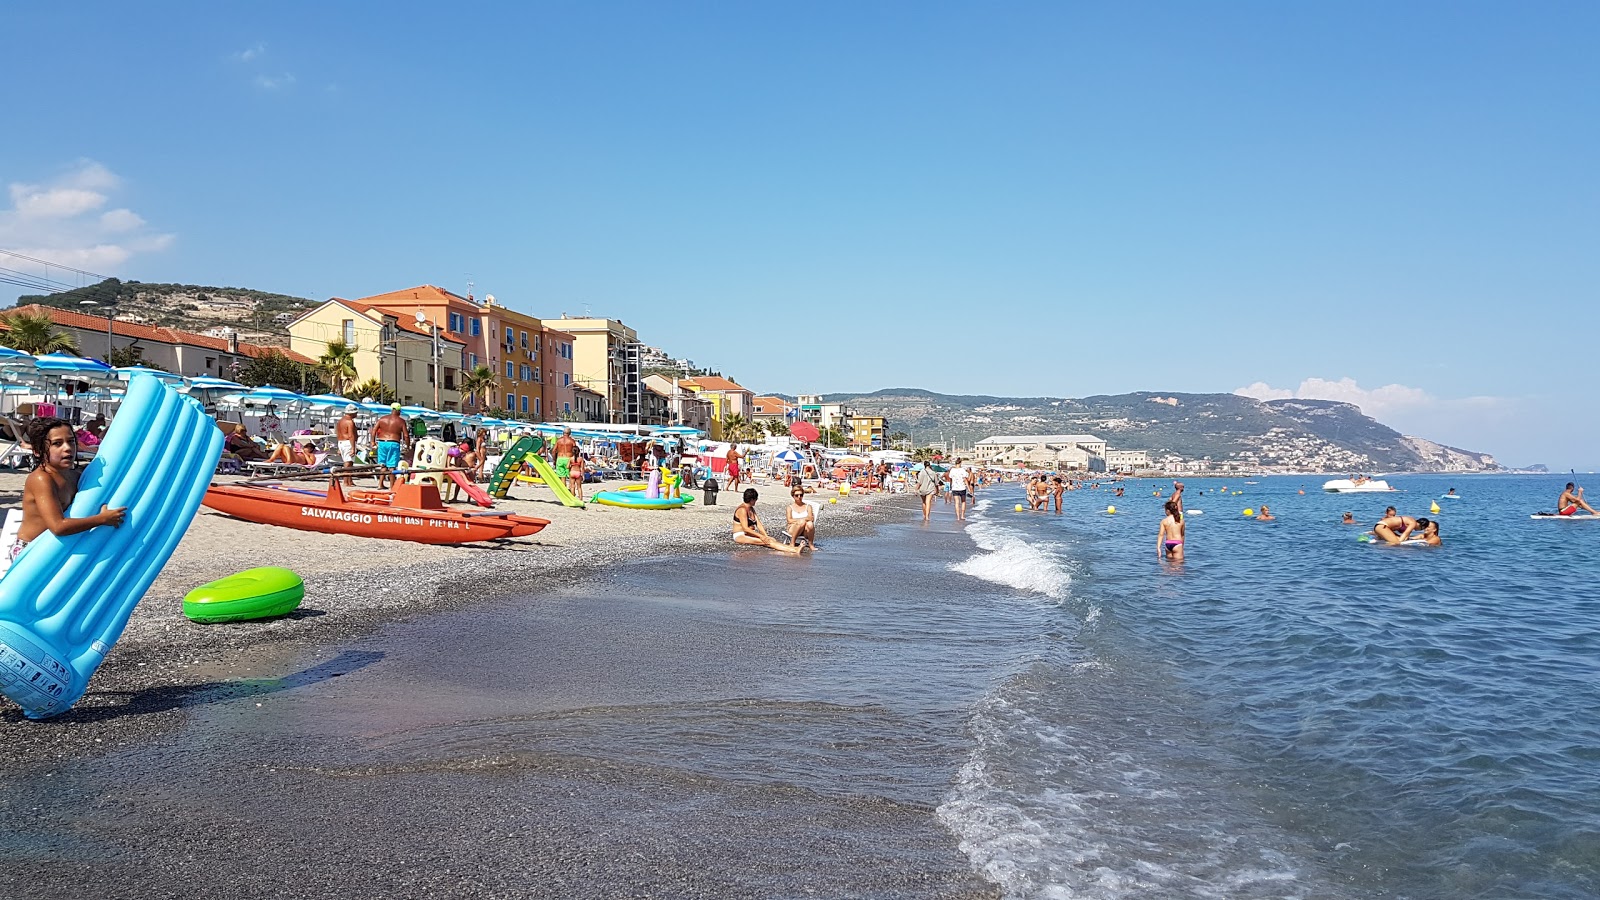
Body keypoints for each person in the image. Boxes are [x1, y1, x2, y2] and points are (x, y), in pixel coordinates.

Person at [14, 418, 126, 562]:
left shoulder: (76, 475)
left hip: (57, 548)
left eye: (71, 441)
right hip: (31, 550)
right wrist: (102, 519)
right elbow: (58, 526)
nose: (67, 448)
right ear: (37, 451)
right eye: (57, 443)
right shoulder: (41, 479)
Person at [732, 488, 802, 554]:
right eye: (756, 499)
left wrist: (765, 536)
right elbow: (745, 528)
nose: (756, 501)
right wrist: (761, 536)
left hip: (749, 534)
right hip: (740, 535)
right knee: (768, 542)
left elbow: (758, 524)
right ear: (752, 499)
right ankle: (794, 550)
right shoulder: (742, 510)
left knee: (771, 539)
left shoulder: (751, 509)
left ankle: (790, 548)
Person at [371, 403, 409, 488]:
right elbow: (406, 435)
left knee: (382, 464)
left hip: (382, 442)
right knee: (392, 466)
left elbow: (374, 431)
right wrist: (407, 446)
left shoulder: (382, 419)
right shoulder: (401, 421)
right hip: (393, 443)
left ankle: (380, 484)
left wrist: (372, 442)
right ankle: (392, 486)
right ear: (399, 411)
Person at [335, 405, 359, 482]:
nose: (357, 414)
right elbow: (351, 435)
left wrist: (339, 447)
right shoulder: (349, 422)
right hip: (347, 442)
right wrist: (353, 448)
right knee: (348, 462)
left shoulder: (340, 421)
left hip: (341, 442)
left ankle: (349, 480)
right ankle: (346, 481)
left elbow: (338, 433)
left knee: (349, 462)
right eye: (356, 412)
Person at [554, 427, 580, 494]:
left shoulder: (559, 440)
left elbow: (554, 451)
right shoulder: (572, 441)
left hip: (560, 458)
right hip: (568, 459)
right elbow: (575, 451)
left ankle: (564, 492)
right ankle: (572, 492)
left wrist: (554, 459)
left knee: (562, 477)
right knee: (571, 477)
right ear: (570, 433)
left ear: (563, 433)